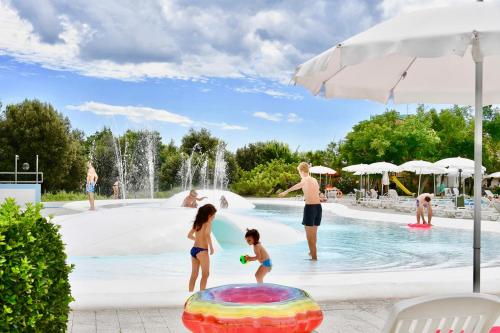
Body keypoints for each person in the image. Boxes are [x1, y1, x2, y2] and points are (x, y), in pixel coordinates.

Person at [279, 162, 322, 260]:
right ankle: (312, 253)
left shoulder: (305, 179)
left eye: (299, 171)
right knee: (314, 234)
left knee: (309, 236)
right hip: (318, 208)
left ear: (302, 171)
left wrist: (286, 191)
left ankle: (314, 259)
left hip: (310, 208)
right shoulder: (314, 179)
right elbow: (317, 192)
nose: (299, 173)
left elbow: (298, 185)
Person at [187, 204, 217, 292]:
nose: (214, 217)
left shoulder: (197, 223)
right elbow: (207, 235)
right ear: (209, 215)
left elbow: (189, 235)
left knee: (194, 274)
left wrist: (197, 239)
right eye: (214, 215)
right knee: (205, 274)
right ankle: (202, 295)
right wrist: (211, 247)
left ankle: (189, 293)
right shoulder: (208, 223)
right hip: (202, 251)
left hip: (194, 250)